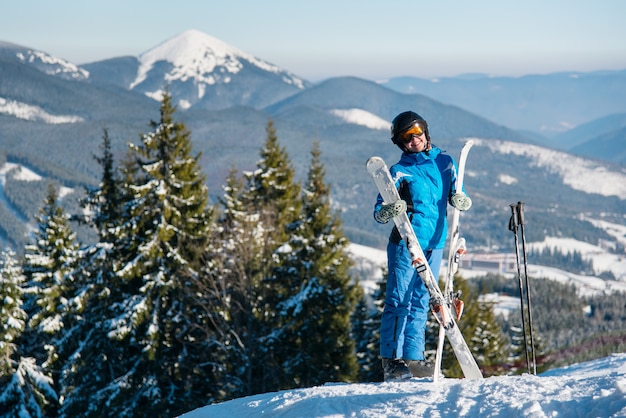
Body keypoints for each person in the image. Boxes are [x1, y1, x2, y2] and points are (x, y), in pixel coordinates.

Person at [372, 110, 472, 381]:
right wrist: (390, 209)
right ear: (400, 143)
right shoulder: (399, 170)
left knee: (422, 300)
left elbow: (456, 193)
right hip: (406, 243)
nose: (413, 140)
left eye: (416, 132)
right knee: (399, 299)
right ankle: (392, 361)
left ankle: (414, 358)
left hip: (435, 242)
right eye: (406, 137)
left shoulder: (445, 162)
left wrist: (461, 199)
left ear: (425, 131)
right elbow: (379, 212)